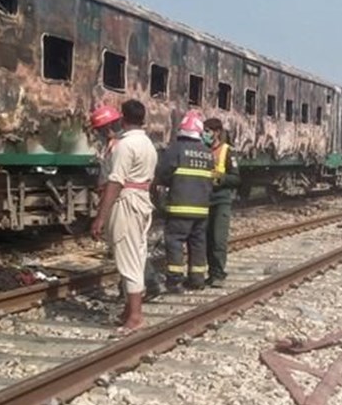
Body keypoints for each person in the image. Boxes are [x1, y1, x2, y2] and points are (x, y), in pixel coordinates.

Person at [90, 100, 158, 332]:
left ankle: (136, 317)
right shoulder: (148, 143)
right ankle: (130, 310)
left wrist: (100, 217)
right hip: (142, 201)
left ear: (123, 119)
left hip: (126, 204)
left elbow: (115, 181)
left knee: (127, 259)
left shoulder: (124, 146)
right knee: (137, 256)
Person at [155, 111, 213, 293]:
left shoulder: (175, 150)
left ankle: (174, 280)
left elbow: (162, 175)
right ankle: (197, 279)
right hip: (202, 209)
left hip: (179, 207)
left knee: (174, 241)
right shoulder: (207, 153)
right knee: (198, 243)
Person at [203, 118, 240, 288]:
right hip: (203, 199)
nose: (205, 134)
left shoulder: (227, 151)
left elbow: (236, 178)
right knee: (204, 239)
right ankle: (206, 273)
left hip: (221, 200)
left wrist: (221, 178)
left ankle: (217, 274)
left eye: (208, 130)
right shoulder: (202, 150)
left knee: (218, 238)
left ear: (217, 132)